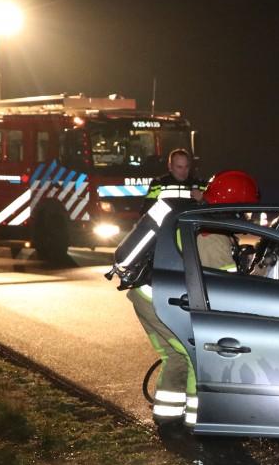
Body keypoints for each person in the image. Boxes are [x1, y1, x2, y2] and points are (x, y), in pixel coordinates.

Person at [109, 169, 261, 429]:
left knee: (176, 356)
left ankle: (168, 418)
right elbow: (225, 285)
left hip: (150, 294)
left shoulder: (200, 218)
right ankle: (196, 423)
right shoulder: (211, 233)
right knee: (194, 356)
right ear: (235, 203)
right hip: (158, 299)